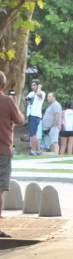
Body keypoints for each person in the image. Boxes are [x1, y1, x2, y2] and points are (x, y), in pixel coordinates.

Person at [0, 71, 26, 238]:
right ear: (3, 85)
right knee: (0, 189)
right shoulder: (8, 101)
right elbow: (20, 120)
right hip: (3, 150)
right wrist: (15, 104)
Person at [26, 79, 45, 155]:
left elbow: (39, 95)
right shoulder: (30, 93)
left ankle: (33, 150)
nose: (33, 87)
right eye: (32, 85)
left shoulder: (42, 93)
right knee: (33, 134)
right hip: (30, 114)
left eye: (34, 85)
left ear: (38, 85)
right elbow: (27, 100)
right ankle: (38, 151)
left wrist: (39, 88)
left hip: (35, 115)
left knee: (33, 134)